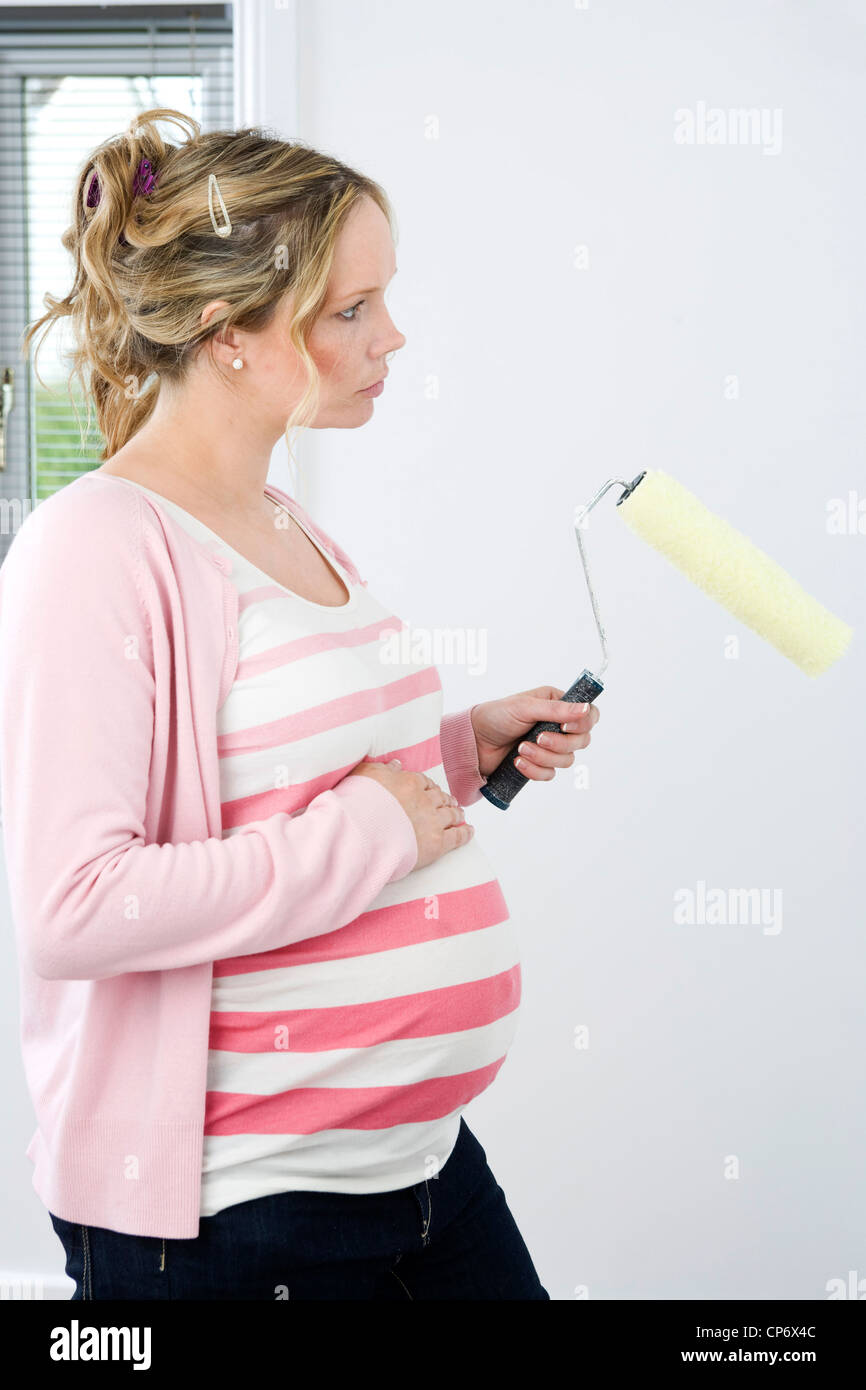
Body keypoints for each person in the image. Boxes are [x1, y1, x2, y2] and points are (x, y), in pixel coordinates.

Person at [0, 108, 598, 1300]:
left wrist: (451, 747)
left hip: (419, 1170)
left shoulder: (278, 519)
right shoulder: (94, 547)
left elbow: (278, 778)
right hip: (244, 1218)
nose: (392, 336)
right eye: (349, 310)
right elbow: (76, 907)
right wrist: (377, 829)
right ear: (228, 331)